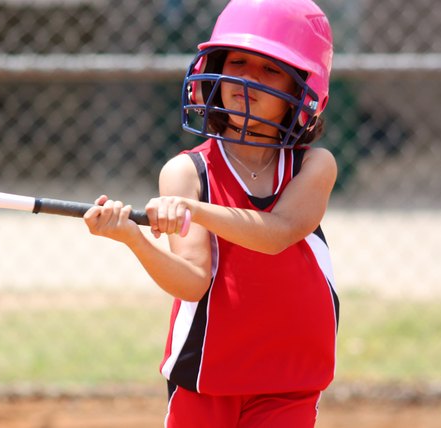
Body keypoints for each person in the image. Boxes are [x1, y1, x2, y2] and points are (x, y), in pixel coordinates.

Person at [83, 0, 339, 426]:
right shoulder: (187, 171)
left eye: (271, 69)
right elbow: (192, 282)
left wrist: (194, 211)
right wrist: (133, 238)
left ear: (302, 90)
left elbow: (278, 233)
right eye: (237, 61)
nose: (247, 79)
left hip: (290, 374)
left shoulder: (313, 165)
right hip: (208, 371)